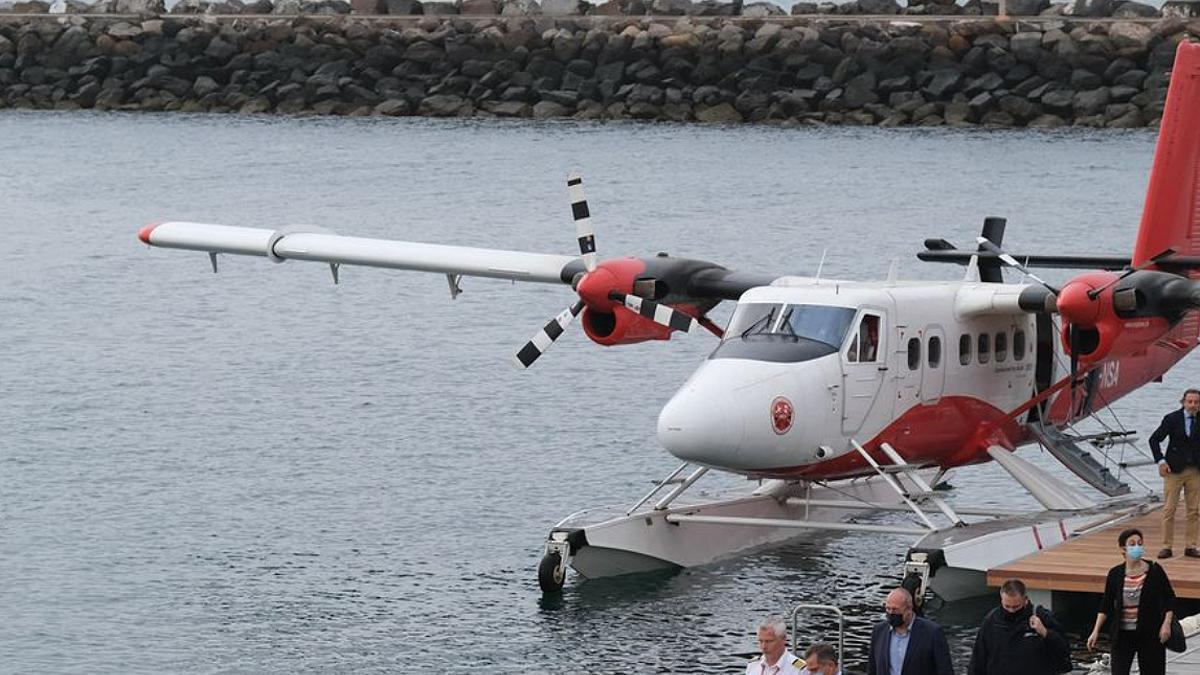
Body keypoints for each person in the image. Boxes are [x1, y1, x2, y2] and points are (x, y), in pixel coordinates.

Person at [1087, 527, 1176, 675]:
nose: (1137, 547)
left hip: (1149, 634)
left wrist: (1166, 624)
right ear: (1123, 549)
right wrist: (1095, 631)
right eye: (1132, 544)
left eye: (1140, 543)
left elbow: (1169, 597)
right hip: (1122, 635)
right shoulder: (1115, 574)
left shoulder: (1154, 571)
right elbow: (1106, 604)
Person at [967, 578, 1072, 675]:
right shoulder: (991, 621)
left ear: (1025, 599)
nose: (1011, 610)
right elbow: (978, 659)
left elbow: (1064, 651)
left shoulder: (1042, 617)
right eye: (1007, 606)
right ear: (1001, 599)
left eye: (1016, 607)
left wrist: (1045, 632)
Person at [1148, 388, 1200, 558]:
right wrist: (1160, 461)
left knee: (1194, 510)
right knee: (1169, 509)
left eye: (1196, 402)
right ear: (1183, 402)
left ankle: (1191, 545)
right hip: (1174, 470)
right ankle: (1166, 546)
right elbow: (1154, 439)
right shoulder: (1172, 419)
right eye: (1190, 401)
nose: (1193, 405)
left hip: (1195, 470)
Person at [867, 588, 953, 675]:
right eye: (888, 609)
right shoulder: (879, 631)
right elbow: (872, 668)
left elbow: (945, 670)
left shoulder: (932, 633)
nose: (891, 613)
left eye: (895, 609)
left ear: (909, 609)